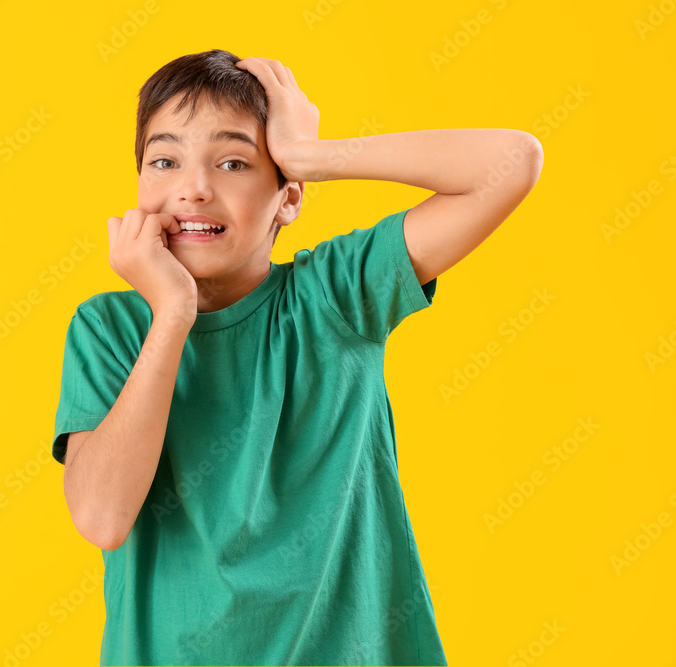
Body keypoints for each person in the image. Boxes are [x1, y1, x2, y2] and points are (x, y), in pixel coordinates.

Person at [51, 48, 543, 666]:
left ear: (288, 197)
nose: (194, 187)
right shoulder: (110, 327)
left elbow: (512, 162)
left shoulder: (336, 297)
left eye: (233, 161)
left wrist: (314, 156)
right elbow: (101, 518)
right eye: (165, 160)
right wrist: (172, 314)